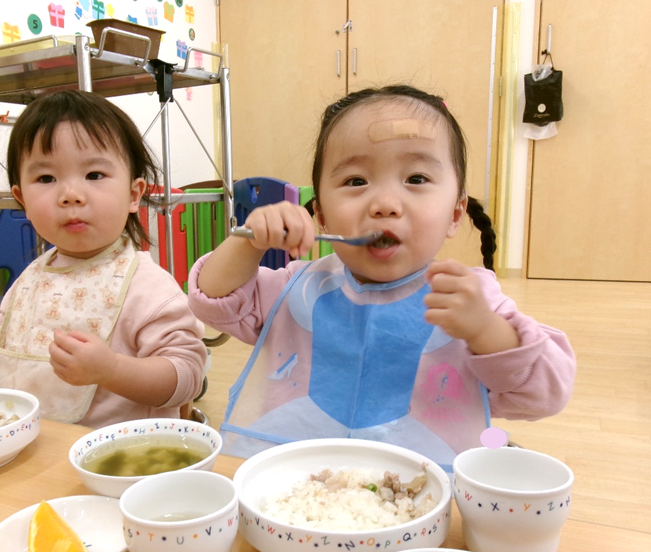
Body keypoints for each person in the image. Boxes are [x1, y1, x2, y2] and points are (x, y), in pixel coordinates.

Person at [187, 85, 575, 469]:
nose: (385, 205)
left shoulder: (467, 299)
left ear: (456, 214)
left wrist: (485, 330)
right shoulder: (299, 288)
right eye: (356, 181)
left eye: (417, 179)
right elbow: (212, 302)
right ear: (320, 215)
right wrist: (247, 242)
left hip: (419, 488)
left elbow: (547, 393)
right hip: (293, 478)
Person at [0, 90, 207, 427]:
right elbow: (5, 357)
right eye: (46, 178)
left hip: (114, 460)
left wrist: (112, 370)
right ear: (21, 199)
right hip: (28, 448)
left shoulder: (148, 287)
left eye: (94, 175)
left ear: (133, 195)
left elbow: (187, 377)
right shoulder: (31, 279)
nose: (70, 195)